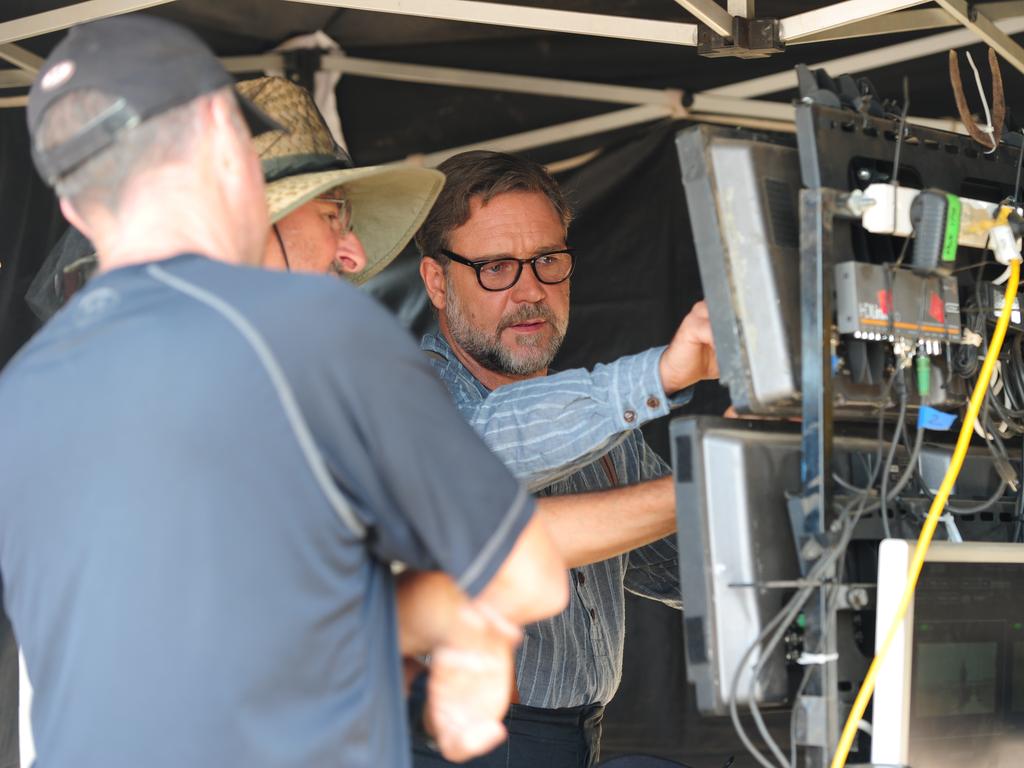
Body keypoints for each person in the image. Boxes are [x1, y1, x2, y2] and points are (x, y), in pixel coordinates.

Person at [1, 16, 568, 768]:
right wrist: (462, 625)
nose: (355, 251)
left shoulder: (21, 391)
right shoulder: (313, 329)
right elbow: (526, 576)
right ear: (224, 142)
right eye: (335, 214)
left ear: (74, 207)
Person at [411, 150, 719, 768]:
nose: (530, 291)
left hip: (577, 737)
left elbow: (682, 566)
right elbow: (482, 458)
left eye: (548, 261)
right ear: (437, 281)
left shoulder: (596, 424)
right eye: (497, 267)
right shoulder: (407, 395)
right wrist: (659, 377)